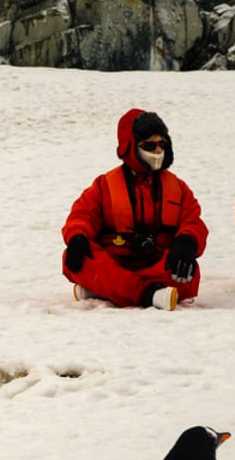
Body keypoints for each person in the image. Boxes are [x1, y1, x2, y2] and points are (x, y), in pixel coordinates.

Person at [61, 109, 207, 312]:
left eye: (161, 144)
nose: (157, 151)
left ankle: (108, 290)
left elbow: (193, 221)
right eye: (149, 145)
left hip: (156, 264)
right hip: (116, 260)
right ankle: (150, 295)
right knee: (75, 257)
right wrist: (77, 237)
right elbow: (81, 215)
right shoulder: (104, 185)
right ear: (130, 147)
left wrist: (187, 242)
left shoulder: (178, 188)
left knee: (189, 271)